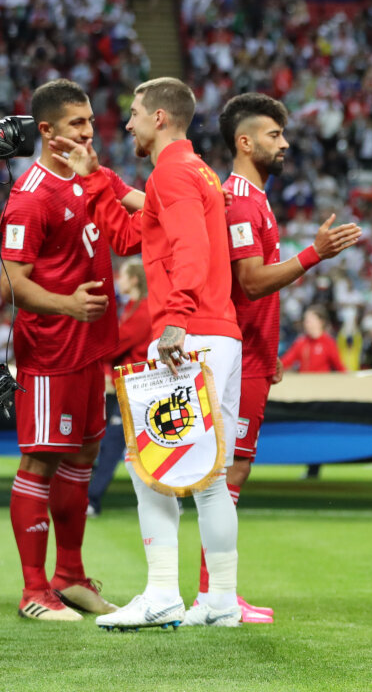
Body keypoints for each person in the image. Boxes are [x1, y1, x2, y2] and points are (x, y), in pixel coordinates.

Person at [64, 77, 245, 629]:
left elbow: (191, 246)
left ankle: (163, 593)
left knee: (148, 466)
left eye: (136, 113)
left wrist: (175, 319)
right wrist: (95, 177)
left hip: (189, 334)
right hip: (218, 331)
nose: (128, 123)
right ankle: (221, 601)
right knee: (210, 477)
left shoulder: (171, 174)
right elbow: (130, 237)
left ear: (160, 117)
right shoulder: (194, 170)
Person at [195, 92, 361, 624]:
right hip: (237, 358)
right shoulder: (242, 201)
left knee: (231, 470)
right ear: (245, 142)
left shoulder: (256, 199)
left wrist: (270, 348)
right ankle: (214, 594)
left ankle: (218, 592)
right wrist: (313, 254)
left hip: (252, 353)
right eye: (274, 134)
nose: (284, 143)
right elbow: (249, 281)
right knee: (228, 472)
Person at [1, 79, 122, 620]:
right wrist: (68, 305)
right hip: (51, 349)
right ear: (47, 131)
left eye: (90, 120)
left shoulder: (86, 178)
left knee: (83, 455)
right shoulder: (31, 196)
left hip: (90, 348)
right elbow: (10, 282)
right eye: (78, 123)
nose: (89, 131)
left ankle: (69, 577)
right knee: (41, 458)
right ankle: (34, 591)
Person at [88, 259, 152, 517]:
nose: (118, 280)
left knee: (113, 444)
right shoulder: (133, 308)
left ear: (134, 279)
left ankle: (91, 500)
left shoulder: (142, 311)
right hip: (130, 386)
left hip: (136, 387)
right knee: (142, 445)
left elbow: (115, 346)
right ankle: (172, 498)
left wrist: (92, 347)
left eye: (123, 276)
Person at [280, 307, 345, 372]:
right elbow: (286, 361)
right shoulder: (301, 342)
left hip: (321, 377)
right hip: (305, 377)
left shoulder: (328, 342)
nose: (306, 324)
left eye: (310, 320)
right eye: (305, 321)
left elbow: (339, 366)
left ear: (320, 322)